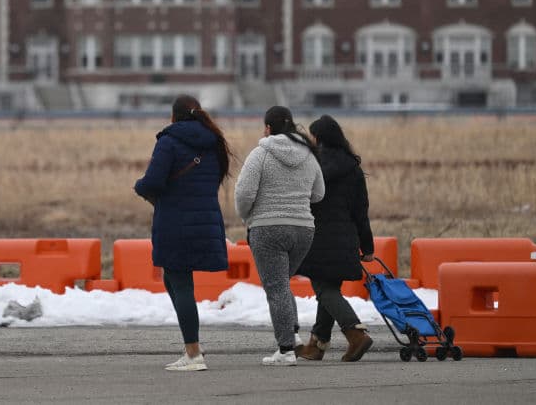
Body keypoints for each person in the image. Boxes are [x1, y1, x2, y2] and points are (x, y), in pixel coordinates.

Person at [134, 94, 235, 372]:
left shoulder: (168, 141)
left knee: (180, 283)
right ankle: (192, 345)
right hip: (206, 219)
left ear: (173, 116)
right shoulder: (214, 142)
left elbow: (153, 181)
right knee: (174, 279)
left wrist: (139, 186)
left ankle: (193, 353)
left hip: (176, 221)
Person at [234, 106, 325, 366]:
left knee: (276, 287)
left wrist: (246, 216)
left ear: (268, 128)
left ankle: (285, 350)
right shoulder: (309, 155)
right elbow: (319, 193)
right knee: (282, 284)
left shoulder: (260, 154)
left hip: (268, 228)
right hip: (304, 230)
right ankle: (293, 337)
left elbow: (244, 193)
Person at [295, 114, 375, 362]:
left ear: (318, 138)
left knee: (323, 289)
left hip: (319, 238)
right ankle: (317, 344)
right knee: (328, 289)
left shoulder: (314, 166)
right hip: (345, 239)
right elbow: (361, 212)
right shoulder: (353, 168)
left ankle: (355, 333)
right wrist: (367, 246)